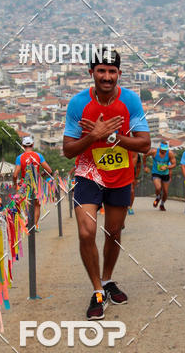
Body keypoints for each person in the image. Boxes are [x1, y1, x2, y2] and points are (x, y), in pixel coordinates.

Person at [63, 48, 151, 319]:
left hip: (120, 176)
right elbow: (68, 150)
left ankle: (108, 279)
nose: (106, 76)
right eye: (101, 71)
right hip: (89, 173)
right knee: (87, 232)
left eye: (112, 71)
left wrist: (113, 137)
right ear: (92, 73)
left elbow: (145, 144)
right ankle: (98, 291)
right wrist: (93, 137)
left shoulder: (131, 101)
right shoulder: (78, 104)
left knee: (113, 232)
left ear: (119, 74)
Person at [12, 135, 52, 231]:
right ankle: (34, 225)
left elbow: (15, 175)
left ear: (23, 145)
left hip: (24, 184)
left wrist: (14, 184)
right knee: (37, 205)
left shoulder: (20, 157)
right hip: (36, 184)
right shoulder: (38, 156)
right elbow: (49, 170)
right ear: (32, 144)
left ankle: (28, 223)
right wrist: (40, 175)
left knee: (26, 204)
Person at [145, 140, 176, 210]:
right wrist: (145, 166)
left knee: (165, 192)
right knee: (158, 187)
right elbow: (145, 155)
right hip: (156, 173)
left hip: (165, 173)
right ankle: (158, 197)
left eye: (165, 150)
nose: (164, 151)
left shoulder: (170, 153)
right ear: (160, 148)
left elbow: (174, 164)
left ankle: (162, 204)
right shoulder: (154, 152)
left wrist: (167, 167)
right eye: (162, 150)